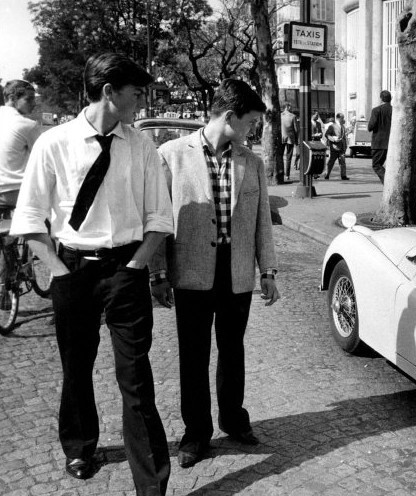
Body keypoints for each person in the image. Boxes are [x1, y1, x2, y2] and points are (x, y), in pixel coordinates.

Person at [10, 53, 173, 494]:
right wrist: (60, 273)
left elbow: (160, 218)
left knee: (136, 378)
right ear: (108, 92)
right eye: (136, 94)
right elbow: (29, 220)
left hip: (126, 268)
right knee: (76, 368)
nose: (142, 102)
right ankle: (80, 446)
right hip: (74, 269)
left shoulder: (141, 146)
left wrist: (137, 265)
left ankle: (152, 482)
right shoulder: (53, 143)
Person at [150, 79, 281, 469]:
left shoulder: (251, 161)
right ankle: (196, 433)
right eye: (252, 121)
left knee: (233, 349)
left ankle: (233, 419)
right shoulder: (171, 155)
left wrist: (268, 270)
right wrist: (157, 273)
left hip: (236, 270)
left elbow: (262, 223)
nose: (254, 129)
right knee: (193, 355)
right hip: (191, 271)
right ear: (229, 117)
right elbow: (156, 218)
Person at [0, 80, 42, 208]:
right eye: (29, 100)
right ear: (12, 98)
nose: (34, 104)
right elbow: (44, 157)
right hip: (15, 192)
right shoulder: (26, 125)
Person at [368, 90, 392, 183]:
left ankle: (388, 182)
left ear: (381, 98)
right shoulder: (394, 110)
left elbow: (371, 126)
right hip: (391, 142)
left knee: (376, 165)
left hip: (379, 142)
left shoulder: (376, 110)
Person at [323, 112, 350, 180]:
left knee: (342, 162)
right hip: (334, 147)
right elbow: (327, 134)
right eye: (342, 118)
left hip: (342, 147)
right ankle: (327, 174)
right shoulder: (332, 126)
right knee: (331, 162)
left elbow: (344, 137)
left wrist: (345, 145)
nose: (343, 119)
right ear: (338, 118)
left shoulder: (343, 126)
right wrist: (333, 139)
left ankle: (343, 176)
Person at [280, 103, 297, 181]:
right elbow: (296, 129)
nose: (291, 108)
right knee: (288, 158)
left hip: (281, 137)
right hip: (290, 138)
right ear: (287, 107)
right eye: (290, 106)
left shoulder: (280, 115)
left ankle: (280, 172)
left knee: (280, 156)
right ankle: (287, 175)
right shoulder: (293, 116)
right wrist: (296, 140)